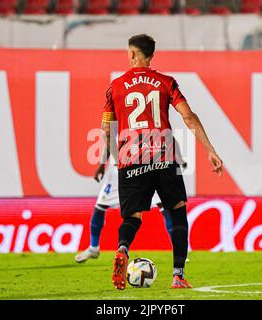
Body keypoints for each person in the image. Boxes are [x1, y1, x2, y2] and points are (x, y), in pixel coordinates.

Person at [101, 34, 223, 290]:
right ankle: (178, 275)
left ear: (133, 54)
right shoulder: (166, 82)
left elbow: (106, 130)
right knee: (177, 212)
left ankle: (123, 248)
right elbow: (188, 116)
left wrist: (116, 158)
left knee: (132, 218)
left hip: (130, 160)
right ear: (151, 55)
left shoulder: (115, 86)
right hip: (163, 158)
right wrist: (210, 150)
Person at [74, 157, 187, 263]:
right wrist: (103, 164)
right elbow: (109, 138)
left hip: (145, 166)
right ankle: (94, 247)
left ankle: (178, 249)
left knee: (162, 205)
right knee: (101, 205)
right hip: (123, 169)